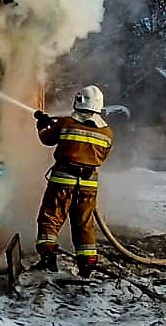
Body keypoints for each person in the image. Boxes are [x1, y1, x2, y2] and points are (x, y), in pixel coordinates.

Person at [33, 84, 114, 277]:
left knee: (51, 216)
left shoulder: (66, 123)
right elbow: (101, 158)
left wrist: (42, 125)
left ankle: (48, 259)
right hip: (88, 184)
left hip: (63, 180)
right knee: (84, 223)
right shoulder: (107, 133)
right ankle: (86, 264)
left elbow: (47, 139)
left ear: (79, 101)